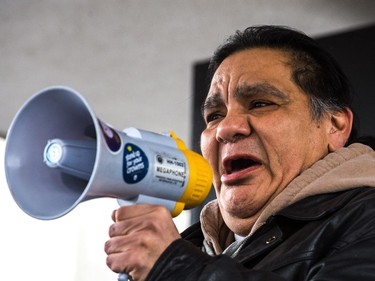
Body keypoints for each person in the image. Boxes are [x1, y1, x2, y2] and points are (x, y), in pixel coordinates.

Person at [104, 25, 375, 281]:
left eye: (260, 103)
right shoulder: (191, 245)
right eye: (214, 115)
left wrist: (178, 268)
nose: (225, 128)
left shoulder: (367, 218)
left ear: (335, 126)